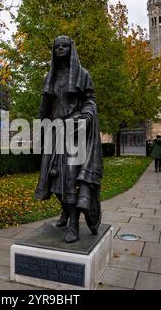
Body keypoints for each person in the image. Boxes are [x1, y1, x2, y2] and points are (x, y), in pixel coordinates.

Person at [35, 36, 103, 244]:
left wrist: (86, 117)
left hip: (75, 132)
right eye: (57, 47)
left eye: (65, 46)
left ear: (71, 49)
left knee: (71, 178)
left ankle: (74, 224)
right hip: (55, 131)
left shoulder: (83, 75)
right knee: (51, 177)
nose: (61, 49)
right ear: (53, 51)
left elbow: (90, 100)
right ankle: (65, 212)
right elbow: (45, 106)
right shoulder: (51, 76)